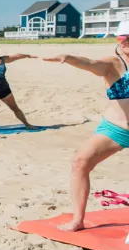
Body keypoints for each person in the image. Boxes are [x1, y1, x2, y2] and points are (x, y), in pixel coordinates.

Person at [41, 21, 129, 231]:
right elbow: (90, 63)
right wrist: (70, 58)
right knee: (80, 161)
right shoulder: (113, 63)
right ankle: (78, 220)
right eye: (123, 39)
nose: (126, 43)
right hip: (116, 128)